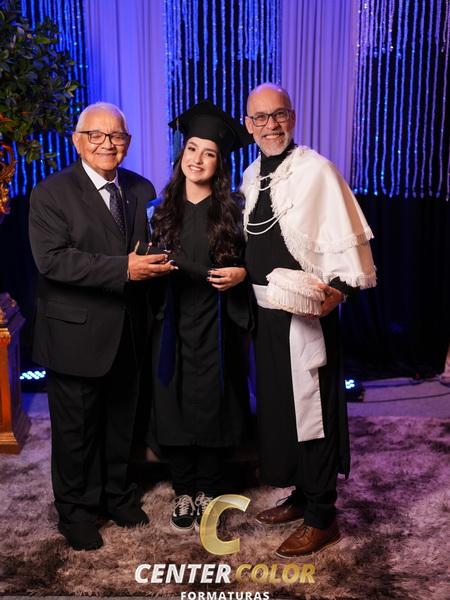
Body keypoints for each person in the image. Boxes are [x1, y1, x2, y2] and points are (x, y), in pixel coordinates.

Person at [28, 102, 174, 551]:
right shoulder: (50, 193)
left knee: (121, 424)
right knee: (76, 433)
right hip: (75, 334)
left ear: (127, 142)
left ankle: (118, 496)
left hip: (129, 329)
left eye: (117, 136)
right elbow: (53, 261)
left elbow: (152, 246)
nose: (107, 144)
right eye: (96, 135)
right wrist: (124, 269)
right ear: (78, 141)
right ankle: (76, 512)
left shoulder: (141, 188)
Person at [241, 83, 376, 557]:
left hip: (306, 313)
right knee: (284, 412)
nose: (271, 125)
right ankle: (302, 495)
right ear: (248, 125)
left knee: (312, 415)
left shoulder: (317, 170)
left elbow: (345, 242)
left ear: (293, 118)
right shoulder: (251, 174)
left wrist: (337, 292)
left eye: (279, 114)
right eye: (260, 117)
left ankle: (323, 516)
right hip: (266, 314)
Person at [146, 100, 252, 533]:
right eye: (192, 149)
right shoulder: (159, 210)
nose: (197, 159)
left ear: (219, 163)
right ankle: (184, 489)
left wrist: (242, 272)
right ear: (181, 153)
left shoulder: (233, 212)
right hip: (170, 320)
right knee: (172, 401)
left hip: (216, 322)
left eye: (209, 153)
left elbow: (253, 262)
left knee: (212, 403)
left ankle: (208, 488)